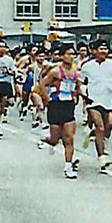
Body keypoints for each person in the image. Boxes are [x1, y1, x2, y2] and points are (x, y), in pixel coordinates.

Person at [79, 40, 112, 171]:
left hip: (107, 100)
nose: (104, 51)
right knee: (100, 126)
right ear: (93, 51)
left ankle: (98, 138)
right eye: (101, 49)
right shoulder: (87, 66)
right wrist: (83, 93)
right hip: (93, 100)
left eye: (105, 49)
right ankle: (101, 156)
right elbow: (80, 81)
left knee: (110, 124)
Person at [39, 43, 81, 179]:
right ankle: (45, 137)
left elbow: (78, 87)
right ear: (62, 56)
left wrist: (82, 95)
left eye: (73, 54)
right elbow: (43, 84)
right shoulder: (56, 71)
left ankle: (68, 166)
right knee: (54, 140)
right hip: (56, 105)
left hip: (68, 105)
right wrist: (47, 100)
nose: (72, 57)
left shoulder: (75, 72)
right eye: (69, 54)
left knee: (69, 138)